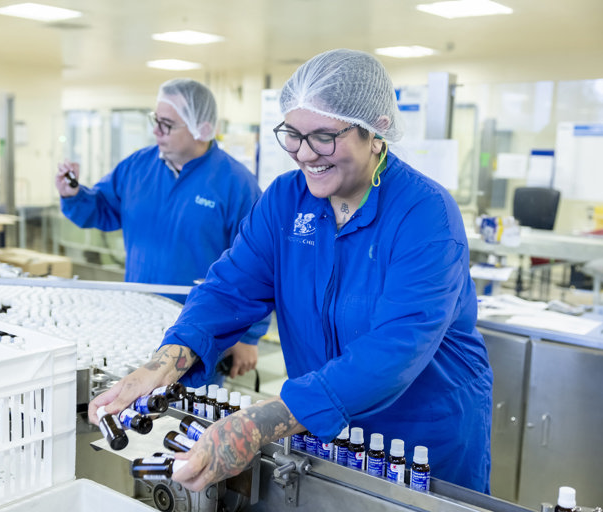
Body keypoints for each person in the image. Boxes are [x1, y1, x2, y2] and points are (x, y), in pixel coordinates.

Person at [89, 49, 493, 493]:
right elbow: (229, 289)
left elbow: (396, 348)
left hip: (421, 440)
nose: (304, 154)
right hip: (321, 428)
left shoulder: (425, 215)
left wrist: (258, 424)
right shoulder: (286, 200)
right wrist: (163, 364)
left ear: (376, 132)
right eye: (293, 135)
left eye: (323, 136)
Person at [56, 78, 267, 380]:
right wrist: (72, 195)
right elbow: (101, 210)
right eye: (155, 121)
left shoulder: (235, 184)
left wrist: (249, 337)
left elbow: (259, 264)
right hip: (135, 321)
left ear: (201, 128)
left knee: (185, 415)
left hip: (199, 331)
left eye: (167, 124)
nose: (156, 131)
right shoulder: (137, 168)